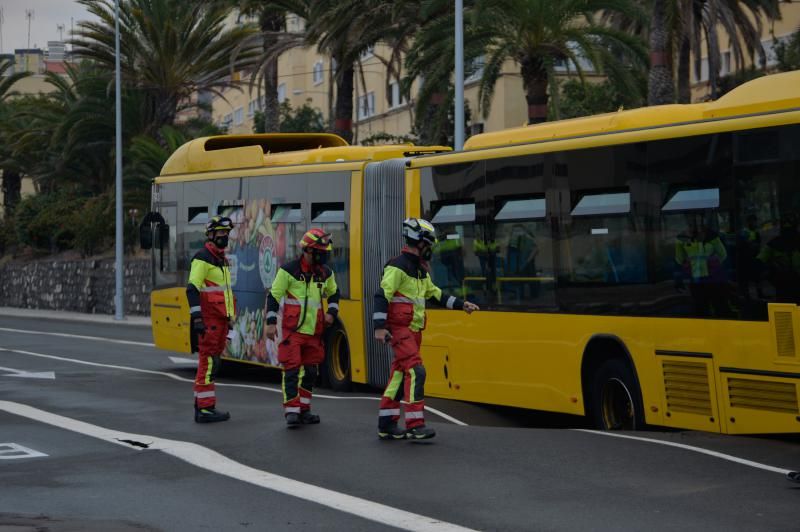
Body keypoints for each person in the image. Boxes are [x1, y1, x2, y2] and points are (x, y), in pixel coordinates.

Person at [373, 218, 479, 440]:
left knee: (398, 376)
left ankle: (386, 423)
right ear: (418, 242)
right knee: (416, 371)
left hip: (414, 331)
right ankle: (415, 424)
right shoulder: (397, 266)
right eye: (428, 244)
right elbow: (382, 295)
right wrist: (380, 327)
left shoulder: (420, 271)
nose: (431, 248)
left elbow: (436, 294)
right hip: (401, 330)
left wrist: (462, 305)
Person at [266, 228, 340, 427]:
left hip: (314, 333)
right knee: (291, 371)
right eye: (320, 252)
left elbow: (334, 293)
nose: (324, 256)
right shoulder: (289, 271)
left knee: (310, 373)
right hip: (293, 332)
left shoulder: (326, 273)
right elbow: (273, 296)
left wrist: (332, 313)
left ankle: (305, 410)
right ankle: (292, 411)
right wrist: (271, 323)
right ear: (308, 251)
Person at [187, 215, 236, 423]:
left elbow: (224, 292)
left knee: (212, 363)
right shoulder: (202, 258)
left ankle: (202, 405)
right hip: (208, 321)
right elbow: (192, 289)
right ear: (211, 235)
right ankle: (205, 410)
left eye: (226, 233)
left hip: (221, 321)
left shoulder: (221, 260)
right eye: (220, 233)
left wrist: (230, 316)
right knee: (207, 364)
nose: (224, 237)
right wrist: (197, 318)